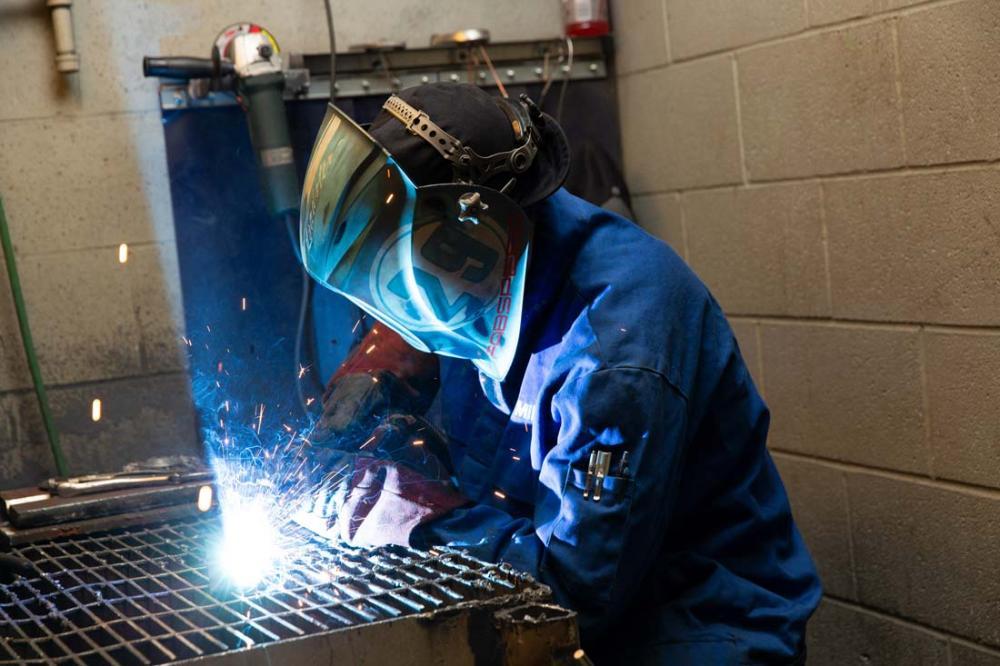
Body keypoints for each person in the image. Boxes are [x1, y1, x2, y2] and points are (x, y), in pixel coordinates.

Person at [298, 82, 821, 664]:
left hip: (692, 633)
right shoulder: (502, 259)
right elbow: (425, 292)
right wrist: (382, 366)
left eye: (408, 285)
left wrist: (410, 514)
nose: (403, 305)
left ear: (475, 233)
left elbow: (571, 597)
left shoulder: (617, 355)